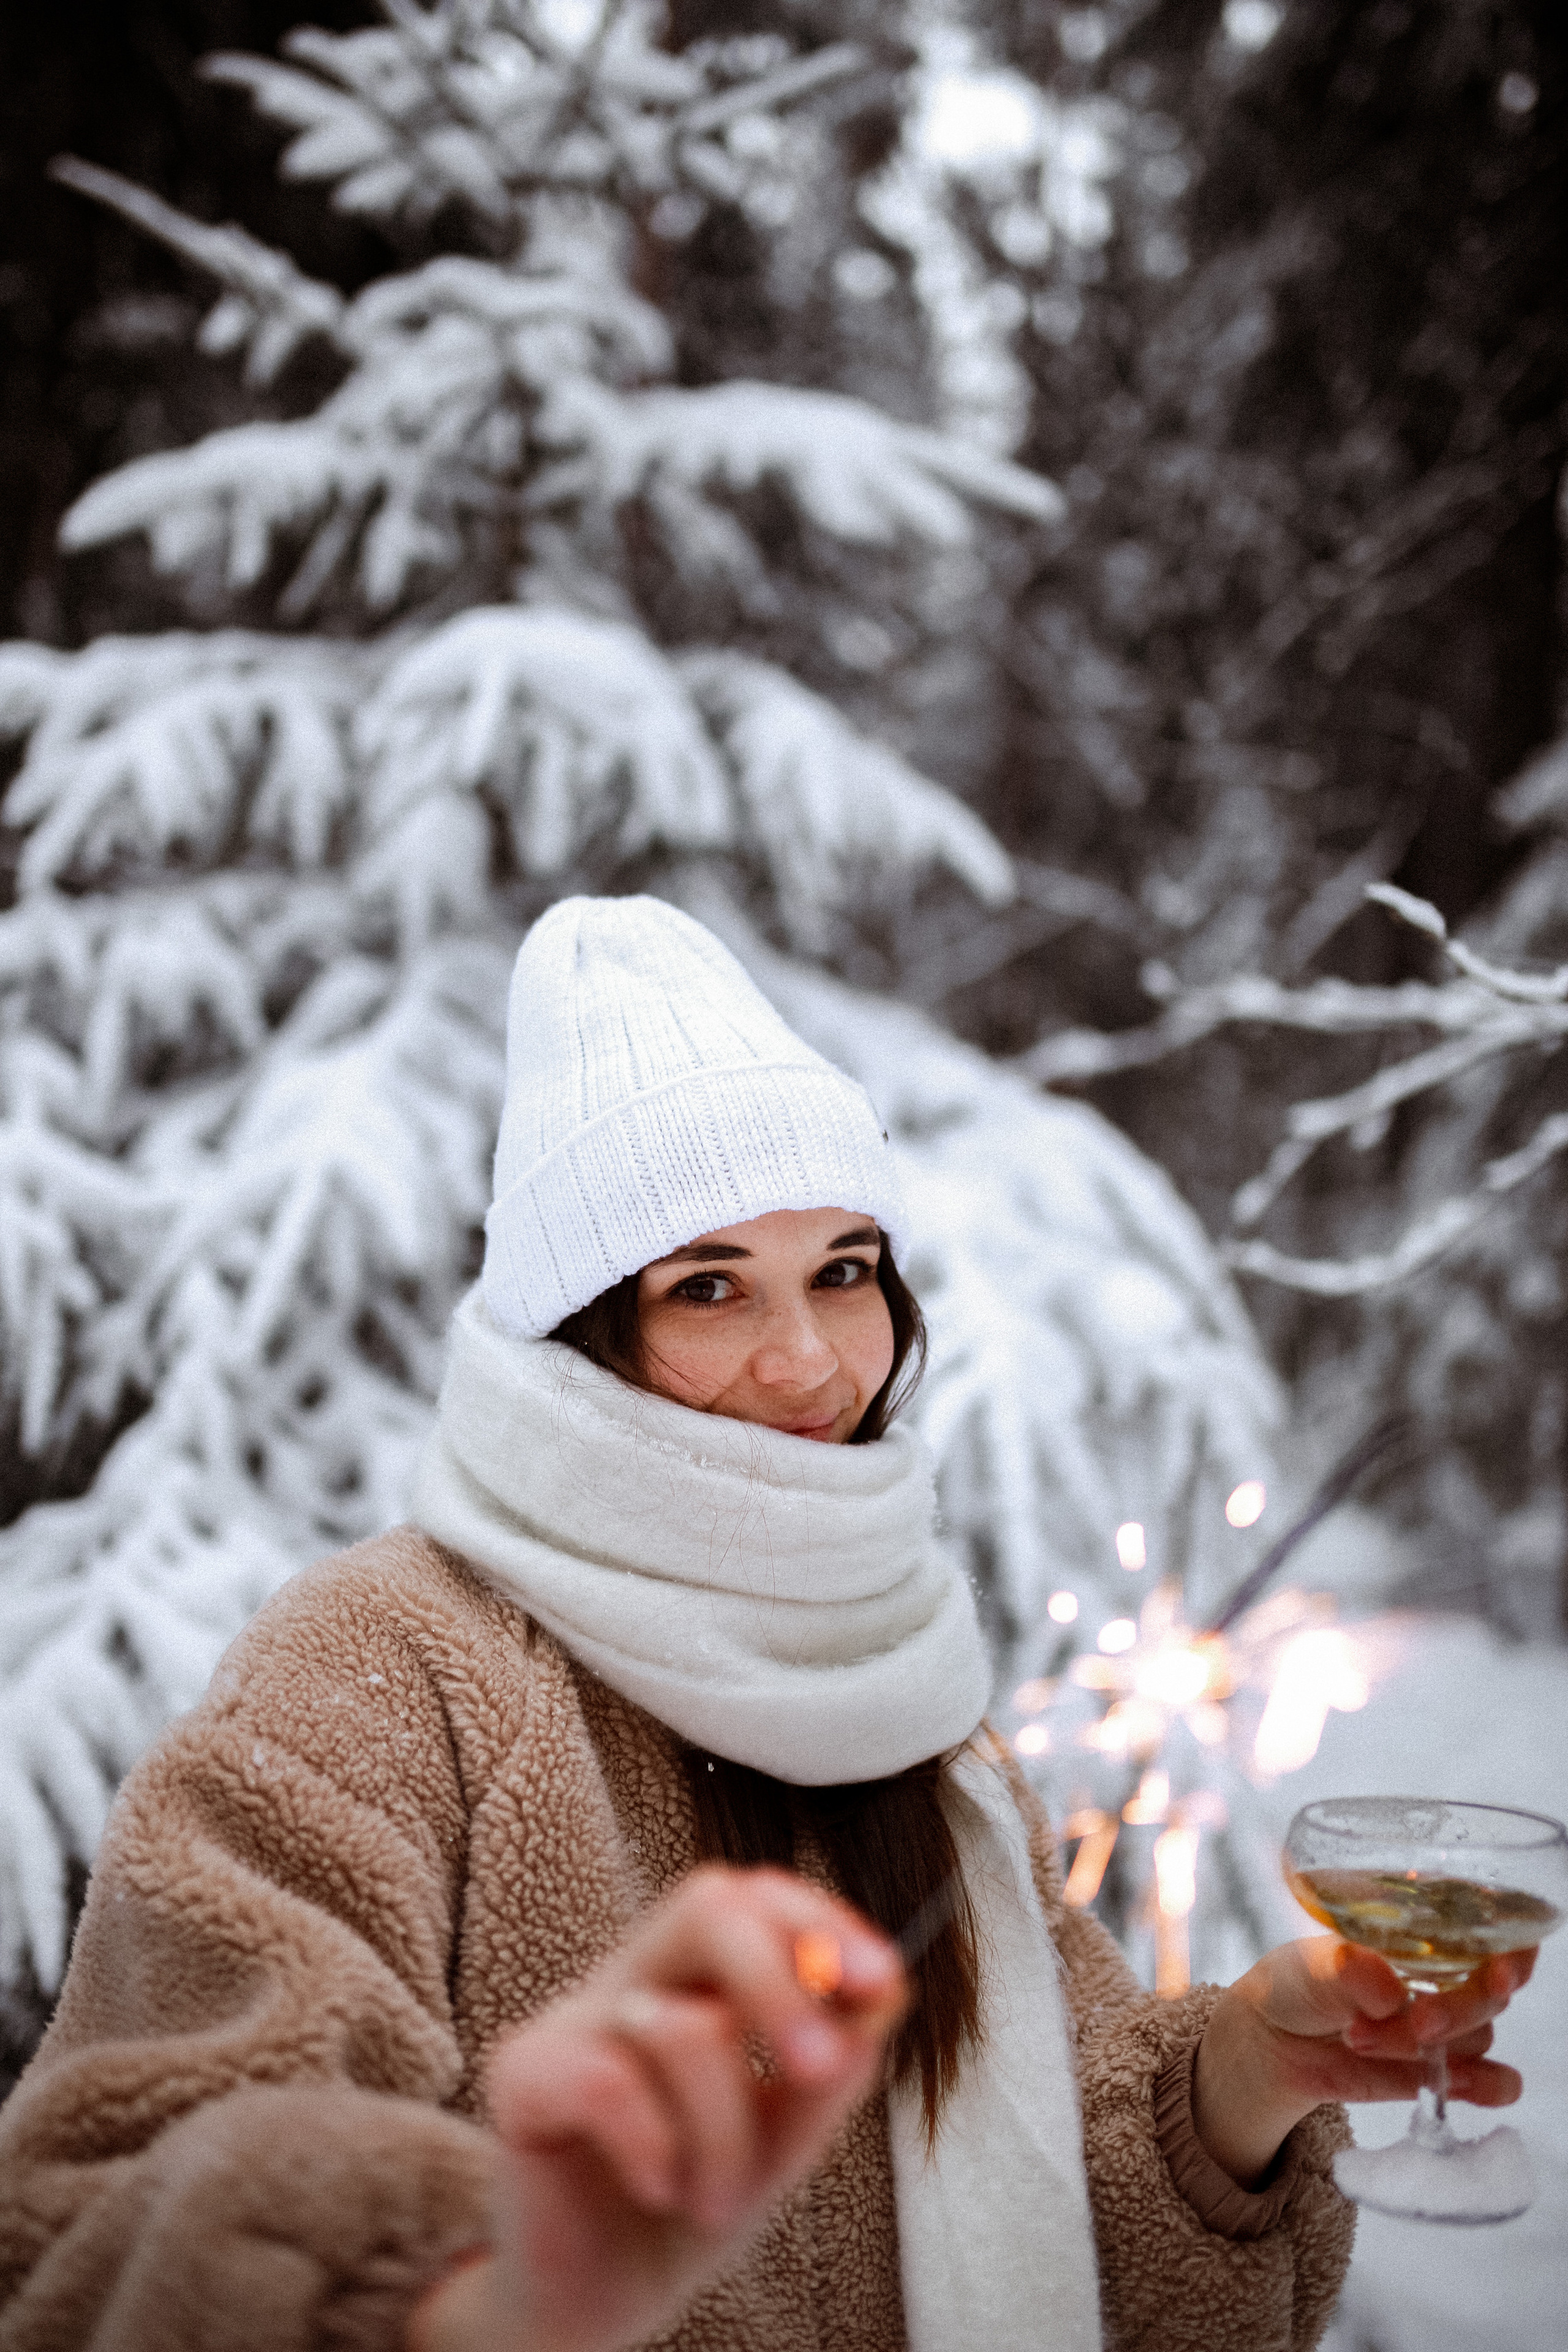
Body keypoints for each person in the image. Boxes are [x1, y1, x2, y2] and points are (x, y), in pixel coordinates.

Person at [0, 897, 1533, 2352]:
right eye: (709, 1287)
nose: (807, 1362)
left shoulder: (899, 1691)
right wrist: (484, 2296)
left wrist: (1241, 2086)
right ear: (578, 1337)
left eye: (843, 1271)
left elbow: (1069, 2247)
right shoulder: (389, 1666)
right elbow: (108, 2209)